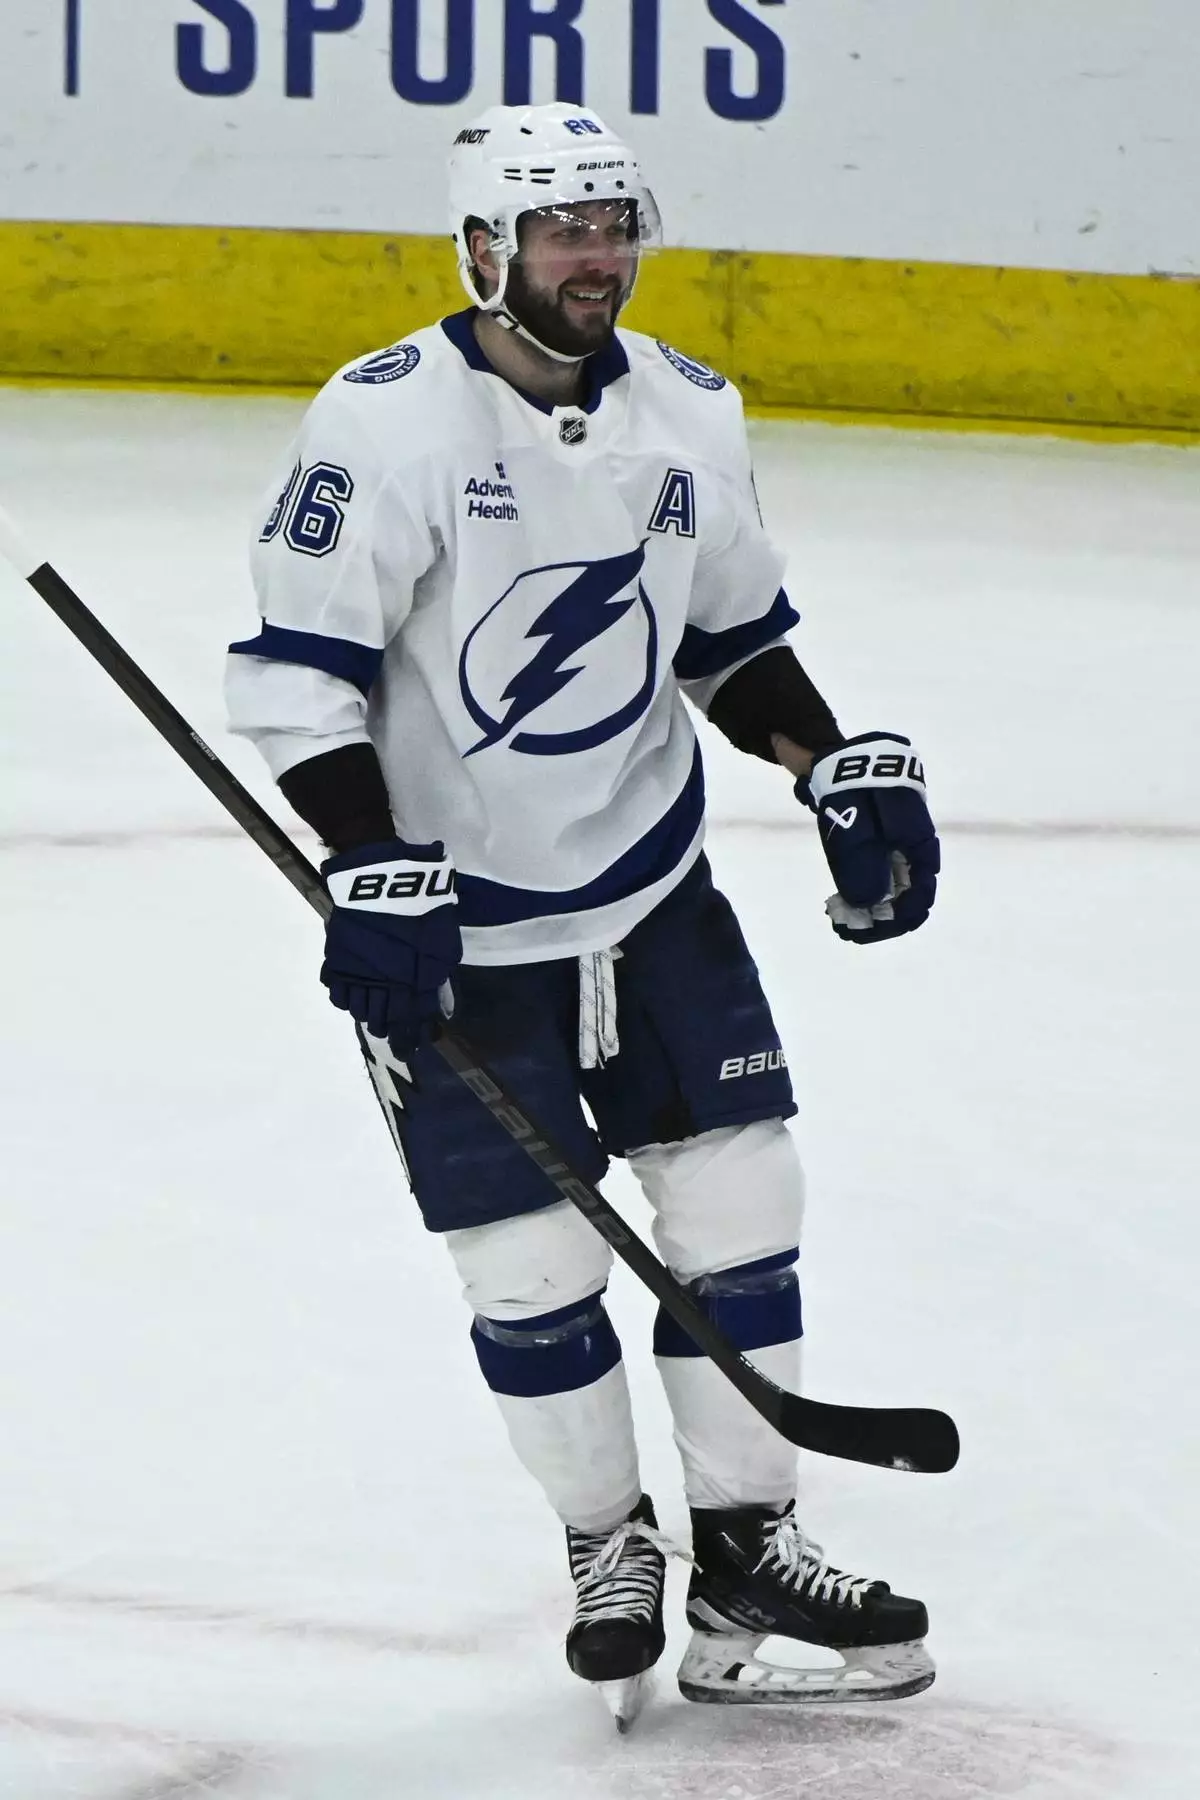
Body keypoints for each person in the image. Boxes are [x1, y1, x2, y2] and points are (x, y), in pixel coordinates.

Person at [224, 101, 940, 1724]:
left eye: (614, 225)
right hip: (462, 930)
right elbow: (300, 676)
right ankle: (608, 1542)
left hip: (649, 893)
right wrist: (367, 858)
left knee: (743, 1201)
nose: (596, 257)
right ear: (485, 249)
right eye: (562, 230)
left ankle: (750, 1546)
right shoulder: (386, 427)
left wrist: (828, 764)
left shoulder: (688, 410)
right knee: (528, 1265)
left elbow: (731, 639)